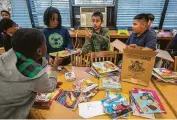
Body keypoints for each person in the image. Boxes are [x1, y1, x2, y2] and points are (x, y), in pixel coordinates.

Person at [0, 28, 58, 118]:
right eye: (45, 44)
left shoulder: (6, 56)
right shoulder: (36, 74)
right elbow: (50, 87)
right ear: (39, 51)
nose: (46, 46)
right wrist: (55, 68)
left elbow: (38, 60)